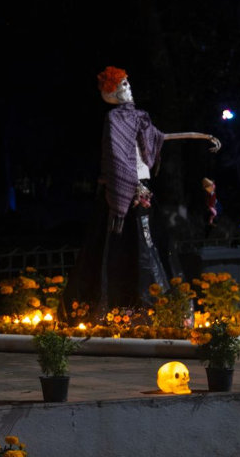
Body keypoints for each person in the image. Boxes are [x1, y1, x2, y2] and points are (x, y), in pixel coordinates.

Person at [72, 66, 221, 314]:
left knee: (151, 246)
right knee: (122, 248)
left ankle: (159, 304)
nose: (128, 89)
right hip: (124, 193)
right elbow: (117, 157)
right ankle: (119, 307)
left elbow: (159, 137)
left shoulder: (139, 117)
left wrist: (202, 136)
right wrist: (128, 185)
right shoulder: (115, 120)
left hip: (142, 188)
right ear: (111, 93)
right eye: (122, 86)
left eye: (128, 84)